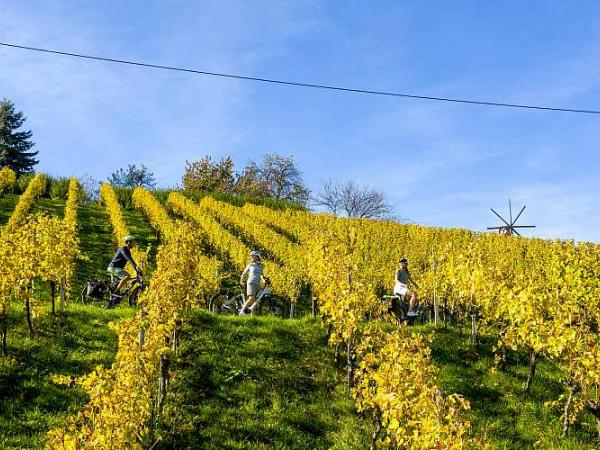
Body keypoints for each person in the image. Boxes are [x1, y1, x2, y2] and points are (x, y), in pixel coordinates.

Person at [238, 250, 268, 316]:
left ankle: (250, 315)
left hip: (258, 284)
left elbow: (261, 275)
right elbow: (243, 274)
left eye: (253, 256)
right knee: (251, 299)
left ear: (257, 257)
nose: (252, 257)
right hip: (251, 282)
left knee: (255, 301)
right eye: (252, 256)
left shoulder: (262, 266)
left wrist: (264, 280)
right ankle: (242, 312)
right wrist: (241, 281)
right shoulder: (250, 265)